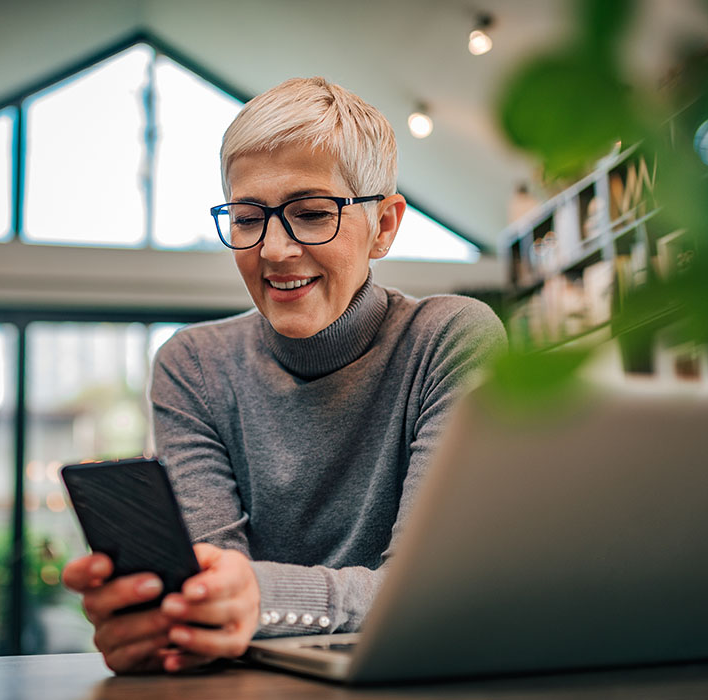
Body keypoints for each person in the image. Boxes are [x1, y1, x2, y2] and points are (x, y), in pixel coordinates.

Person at [63, 77, 507, 674]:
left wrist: (259, 599)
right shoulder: (194, 365)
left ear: (384, 226)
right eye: (248, 219)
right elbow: (212, 585)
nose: (273, 250)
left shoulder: (448, 340)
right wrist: (165, 619)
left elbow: (430, 588)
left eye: (312, 213)